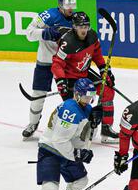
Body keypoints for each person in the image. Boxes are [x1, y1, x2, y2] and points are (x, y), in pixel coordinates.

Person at [22, 78, 103, 190]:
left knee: (80, 180)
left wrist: (94, 124)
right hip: (50, 151)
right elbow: (59, 140)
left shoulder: (85, 108)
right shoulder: (70, 109)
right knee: (50, 188)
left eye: (92, 95)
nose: (90, 99)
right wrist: (78, 154)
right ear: (77, 95)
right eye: (87, 96)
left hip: (67, 151)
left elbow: (82, 137)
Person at [51, 11, 119, 143]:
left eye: (86, 26)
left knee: (108, 91)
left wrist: (105, 71)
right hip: (69, 77)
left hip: (84, 73)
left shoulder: (92, 36)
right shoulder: (67, 42)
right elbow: (57, 65)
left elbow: (97, 56)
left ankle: (106, 129)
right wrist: (61, 82)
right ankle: (70, 132)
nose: (84, 30)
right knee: (74, 105)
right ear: (74, 27)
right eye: (80, 27)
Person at [22, 0, 76, 140]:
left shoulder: (76, 19)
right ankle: (33, 123)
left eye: (72, 4)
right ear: (60, 5)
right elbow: (29, 33)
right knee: (38, 94)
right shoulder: (48, 15)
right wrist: (44, 33)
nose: (70, 8)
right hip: (45, 61)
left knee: (69, 97)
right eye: (67, 4)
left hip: (65, 64)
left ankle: (72, 127)